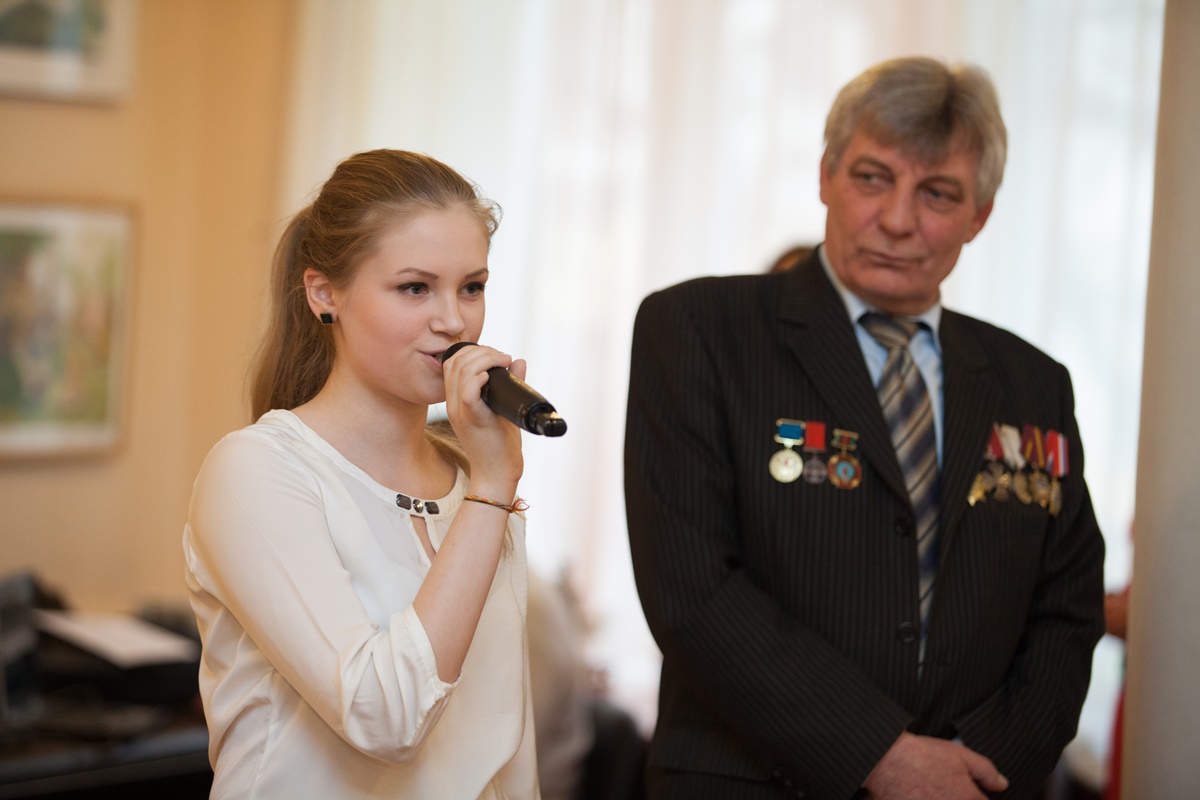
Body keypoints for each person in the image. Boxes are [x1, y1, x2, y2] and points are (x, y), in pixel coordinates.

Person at [624, 57, 1105, 800]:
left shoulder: (1035, 384)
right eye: (873, 178)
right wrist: (879, 754)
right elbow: (693, 591)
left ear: (980, 215)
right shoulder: (698, 330)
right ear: (826, 176)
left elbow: (1066, 611)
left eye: (938, 193)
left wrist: (977, 769)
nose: (899, 219)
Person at [183, 150, 540, 799]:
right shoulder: (257, 471)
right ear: (324, 294)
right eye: (415, 288)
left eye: (472, 286)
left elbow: (506, 751)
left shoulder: (477, 485)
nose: (453, 321)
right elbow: (384, 719)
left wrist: (488, 489)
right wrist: (492, 492)